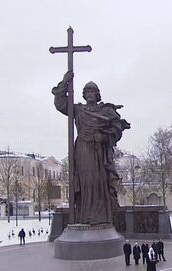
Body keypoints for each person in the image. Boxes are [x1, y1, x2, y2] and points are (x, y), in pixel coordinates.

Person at [53, 76, 130, 225]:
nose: (89, 94)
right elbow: (60, 104)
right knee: (85, 182)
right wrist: (65, 82)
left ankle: (100, 217)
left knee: (98, 181)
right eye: (87, 91)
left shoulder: (105, 111)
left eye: (92, 91)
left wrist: (104, 137)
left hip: (98, 150)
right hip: (83, 150)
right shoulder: (78, 110)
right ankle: (84, 215)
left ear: (97, 94)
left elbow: (117, 128)